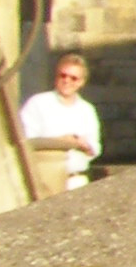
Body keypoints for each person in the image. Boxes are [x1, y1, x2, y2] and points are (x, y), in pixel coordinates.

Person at [19, 52, 99, 191]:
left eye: (73, 78)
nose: (67, 81)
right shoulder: (38, 103)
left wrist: (83, 145)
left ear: (81, 82)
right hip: (46, 179)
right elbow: (25, 140)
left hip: (77, 180)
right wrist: (59, 142)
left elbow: (95, 148)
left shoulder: (87, 110)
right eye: (63, 75)